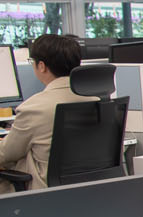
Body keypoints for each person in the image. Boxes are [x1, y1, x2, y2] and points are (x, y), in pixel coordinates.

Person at [0, 34, 96, 192]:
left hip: (44, 192)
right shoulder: (97, 100)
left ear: (42, 66)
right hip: (90, 190)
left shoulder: (34, 108)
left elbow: (6, 154)